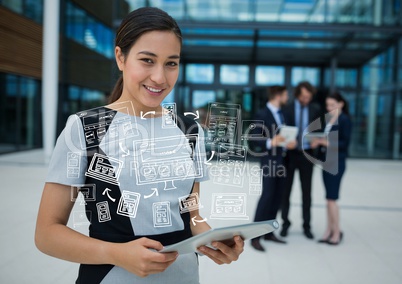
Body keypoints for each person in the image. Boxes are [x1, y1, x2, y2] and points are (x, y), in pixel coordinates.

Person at [35, 7, 243, 284]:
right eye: (147, 60)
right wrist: (117, 253)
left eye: (171, 63)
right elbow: (47, 234)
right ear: (120, 57)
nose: (160, 77)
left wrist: (214, 242)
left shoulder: (190, 130)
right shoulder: (84, 128)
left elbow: (191, 216)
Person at [250, 85, 297, 252]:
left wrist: (290, 143)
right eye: (285, 94)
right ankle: (255, 237)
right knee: (267, 197)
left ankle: (269, 232)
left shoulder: (284, 114)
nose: (287, 97)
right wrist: (271, 142)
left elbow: (287, 135)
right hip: (269, 161)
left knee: (278, 197)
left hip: (284, 161)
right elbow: (254, 138)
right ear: (277, 95)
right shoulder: (262, 114)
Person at [280, 81, 321, 239]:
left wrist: (317, 140)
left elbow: (319, 130)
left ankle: (307, 225)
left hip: (307, 154)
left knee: (307, 192)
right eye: (304, 97)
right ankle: (285, 224)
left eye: (309, 97)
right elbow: (280, 130)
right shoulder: (287, 108)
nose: (306, 100)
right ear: (298, 94)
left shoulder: (315, 109)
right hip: (289, 155)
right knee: (286, 192)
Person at [311, 92, 352, 245]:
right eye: (328, 105)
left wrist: (326, 143)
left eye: (333, 105)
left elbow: (344, 144)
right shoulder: (330, 119)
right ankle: (328, 230)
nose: (330, 108)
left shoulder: (344, 120)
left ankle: (337, 232)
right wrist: (319, 142)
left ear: (341, 104)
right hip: (327, 163)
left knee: (332, 199)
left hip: (337, 163)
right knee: (328, 199)